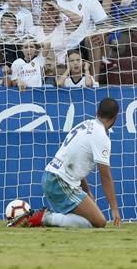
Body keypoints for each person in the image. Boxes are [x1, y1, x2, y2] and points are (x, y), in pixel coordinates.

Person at [11, 98, 122, 229]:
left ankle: (49, 218)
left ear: (97, 112)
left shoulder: (85, 124)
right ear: (115, 117)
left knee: (88, 221)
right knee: (99, 222)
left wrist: (87, 192)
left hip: (53, 177)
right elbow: (105, 176)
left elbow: (75, 162)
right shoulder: (101, 137)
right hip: (60, 181)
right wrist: (114, 209)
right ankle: (45, 217)